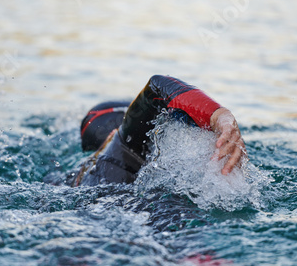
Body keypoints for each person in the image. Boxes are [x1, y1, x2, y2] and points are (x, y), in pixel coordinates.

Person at [73, 75, 247, 186]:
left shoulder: (73, 180)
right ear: (114, 133)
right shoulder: (122, 148)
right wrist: (220, 116)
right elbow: (156, 88)